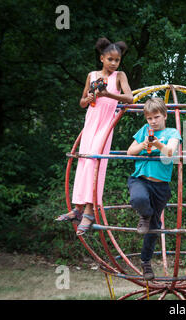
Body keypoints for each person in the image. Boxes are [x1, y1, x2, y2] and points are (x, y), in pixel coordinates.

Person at [56, 38, 133, 236]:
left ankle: (90, 211)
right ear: (101, 58)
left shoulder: (119, 76)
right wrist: (89, 98)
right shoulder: (92, 75)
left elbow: (130, 98)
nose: (114, 63)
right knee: (83, 162)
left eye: (117, 60)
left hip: (106, 125)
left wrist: (108, 94)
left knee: (95, 163)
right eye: (110, 59)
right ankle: (78, 208)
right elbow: (82, 102)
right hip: (90, 123)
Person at [127, 98, 182, 280]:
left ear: (165, 115)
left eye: (156, 117)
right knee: (138, 199)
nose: (153, 121)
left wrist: (157, 144)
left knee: (154, 228)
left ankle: (145, 262)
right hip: (140, 179)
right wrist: (144, 144)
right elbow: (130, 152)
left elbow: (169, 153)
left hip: (160, 185)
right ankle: (145, 214)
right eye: (149, 118)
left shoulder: (172, 132)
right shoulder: (144, 131)